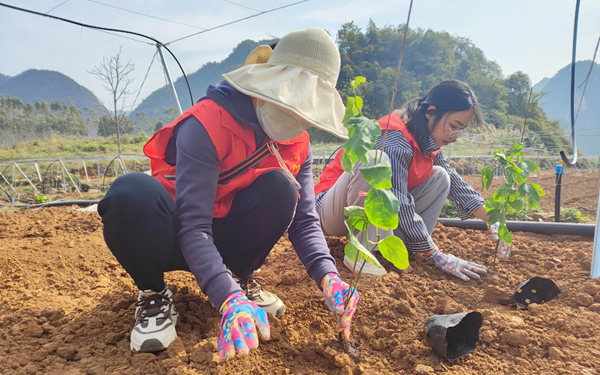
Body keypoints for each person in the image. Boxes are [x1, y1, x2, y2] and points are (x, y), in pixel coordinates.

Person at [98, 27, 359, 361]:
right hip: (174, 232)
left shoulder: (299, 143)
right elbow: (194, 226)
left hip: (226, 239)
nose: (295, 118)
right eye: (290, 102)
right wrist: (228, 299)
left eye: (305, 110)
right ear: (266, 83)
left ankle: (238, 277)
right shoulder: (207, 123)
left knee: (281, 188)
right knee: (128, 194)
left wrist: (330, 277)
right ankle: (154, 293)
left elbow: (305, 220)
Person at [314, 79, 510, 280]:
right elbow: (400, 203)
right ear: (431, 111)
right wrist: (436, 254)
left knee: (441, 177)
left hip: (368, 207)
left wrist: (492, 220)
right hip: (334, 211)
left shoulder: (425, 136)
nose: (455, 136)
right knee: (375, 160)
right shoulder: (394, 139)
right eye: (453, 126)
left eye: (461, 129)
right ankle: (361, 253)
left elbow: (453, 179)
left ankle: (402, 247)